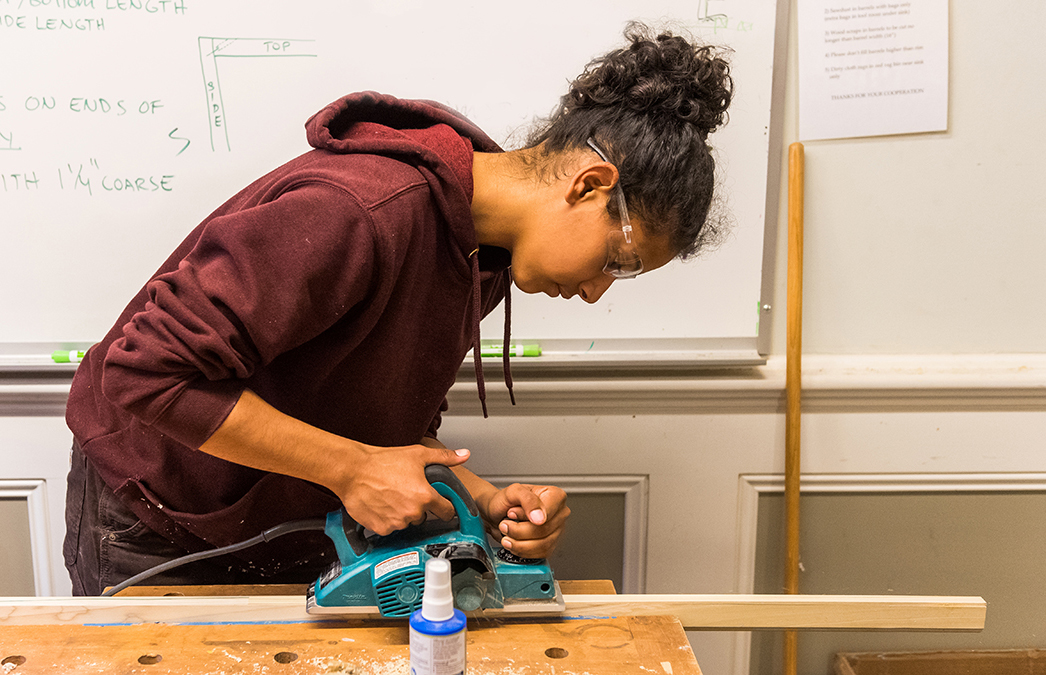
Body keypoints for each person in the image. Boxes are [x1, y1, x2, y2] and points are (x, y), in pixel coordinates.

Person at [63, 22, 733, 596]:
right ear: (589, 186)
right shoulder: (359, 211)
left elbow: (386, 420)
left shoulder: (482, 253)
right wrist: (350, 470)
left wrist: (481, 495)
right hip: (155, 514)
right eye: (616, 262)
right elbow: (145, 374)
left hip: (270, 513)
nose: (596, 292)